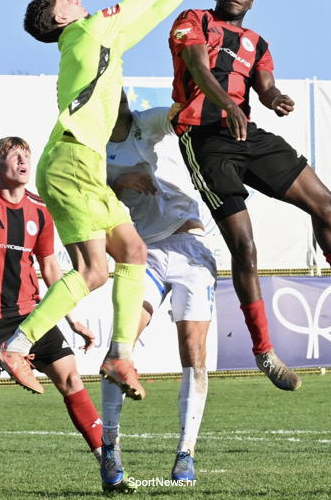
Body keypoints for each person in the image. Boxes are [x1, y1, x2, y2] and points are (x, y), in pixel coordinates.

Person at [0, 0, 230, 401]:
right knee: (111, 261)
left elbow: (156, 7)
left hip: (70, 164)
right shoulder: (86, 31)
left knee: (111, 264)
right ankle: (44, 349)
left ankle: (101, 353)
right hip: (73, 162)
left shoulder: (94, 41)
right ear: (60, 17)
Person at [166, 0, 331, 392]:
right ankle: (264, 351)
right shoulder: (192, 21)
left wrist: (274, 99)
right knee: (246, 247)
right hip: (204, 139)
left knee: (327, 204)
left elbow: (265, 84)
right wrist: (231, 105)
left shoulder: (258, 43)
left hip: (245, 132)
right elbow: (198, 68)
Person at [0, 137, 108, 499]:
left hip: (31, 315)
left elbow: (49, 268)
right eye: (12, 155)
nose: (22, 159)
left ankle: (109, 466)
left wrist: (72, 319)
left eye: (25, 154)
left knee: (72, 378)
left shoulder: (40, 210)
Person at [100, 92, 217, 487]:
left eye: (117, 87)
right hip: (143, 252)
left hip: (189, 244)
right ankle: (110, 448)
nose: (116, 95)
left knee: (194, 350)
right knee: (120, 347)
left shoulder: (144, 122)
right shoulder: (94, 151)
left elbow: (176, 116)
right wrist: (118, 182)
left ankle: (186, 453)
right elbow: (95, 205)